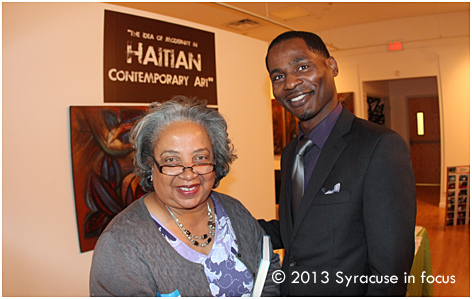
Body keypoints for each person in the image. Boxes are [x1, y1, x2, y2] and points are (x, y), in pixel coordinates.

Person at [258, 31, 417, 296]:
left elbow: (391, 271)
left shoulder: (379, 146)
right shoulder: (290, 154)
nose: (290, 83)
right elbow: (297, 229)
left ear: (331, 66)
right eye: (278, 76)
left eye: (302, 66)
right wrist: (221, 222)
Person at [90, 96, 280, 297]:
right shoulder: (121, 245)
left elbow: (269, 268)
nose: (189, 174)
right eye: (171, 161)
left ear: (216, 161)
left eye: (200, 158)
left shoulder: (234, 211)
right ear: (149, 165)